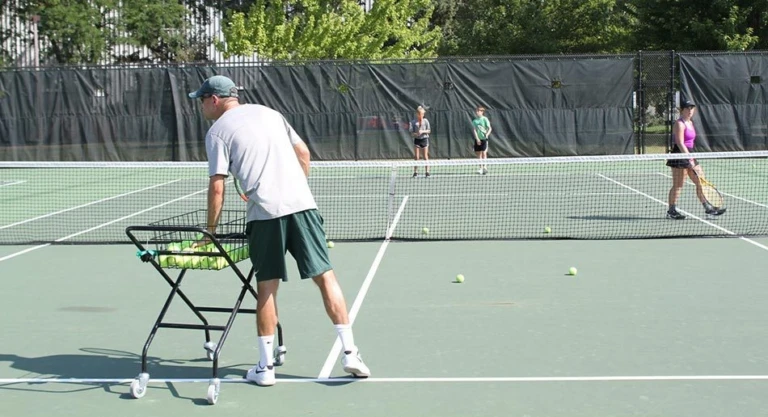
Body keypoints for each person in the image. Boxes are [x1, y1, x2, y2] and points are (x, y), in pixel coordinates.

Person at [189, 75, 370, 386]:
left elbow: (217, 186)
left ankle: (265, 368)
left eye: (201, 100)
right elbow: (304, 155)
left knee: (267, 288)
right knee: (326, 278)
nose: (201, 106)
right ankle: (351, 353)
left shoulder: (217, 131)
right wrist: (295, 188)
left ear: (214, 99)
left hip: (266, 216)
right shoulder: (272, 113)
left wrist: (210, 232)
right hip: (303, 207)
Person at [665, 100, 726, 220]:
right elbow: (680, 142)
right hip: (679, 154)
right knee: (678, 185)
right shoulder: (679, 123)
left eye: (692, 108)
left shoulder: (690, 123)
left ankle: (708, 208)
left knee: (700, 181)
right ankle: (671, 210)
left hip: (690, 153)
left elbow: (690, 142)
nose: (690, 111)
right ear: (681, 110)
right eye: (687, 108)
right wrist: (689, 159)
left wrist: (691, 158)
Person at [410, 105, 431, 177]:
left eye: (423, 114)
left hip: (424, 140)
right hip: (417, 140)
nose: (422, 115)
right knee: (416, 157)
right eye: (420, 114)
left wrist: (422, 131)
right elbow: (412, 133)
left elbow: (429, 131)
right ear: (417, 114)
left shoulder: (426, 121)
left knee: (425, 156)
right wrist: (416, 134)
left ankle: (427, 172)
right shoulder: (413, 122)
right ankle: (415, 172)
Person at [472, 106, 492, 174]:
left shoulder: (485, 119)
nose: (477, 112)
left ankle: (485, 167)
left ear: (482, 112)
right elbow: (474, 130)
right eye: (476, 111)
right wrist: (477, 139)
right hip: (478, 139)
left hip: (484, 139)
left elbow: (489, 128)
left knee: (484, 153)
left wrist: (487, 135)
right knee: (479, 154)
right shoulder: (475, 121)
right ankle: (480, 168)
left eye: (478, 111)